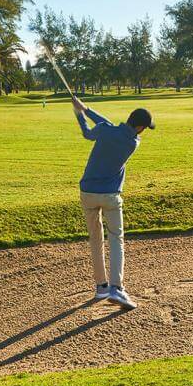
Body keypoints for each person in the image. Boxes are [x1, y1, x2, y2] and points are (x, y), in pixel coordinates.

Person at [72, 95, 155, 309]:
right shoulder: (133, 142)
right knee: (116, 238)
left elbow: (91, 131)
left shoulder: (107, 131)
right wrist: (86, 109)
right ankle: (116, 288)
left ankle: (101, 287)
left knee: (95, 239)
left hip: (87, 192)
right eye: (144, 127)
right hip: (110, 195)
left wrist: (81, 112)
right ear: (139, 127)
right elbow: (107, 125)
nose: (143, 131)